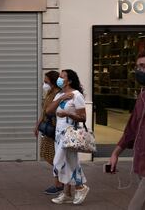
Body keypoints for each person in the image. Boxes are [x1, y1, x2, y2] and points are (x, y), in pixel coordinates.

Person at [109, 49, 145, 210]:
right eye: (137, 67)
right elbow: (131, 129)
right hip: (142, 164)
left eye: (143, 66)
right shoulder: (143, 96)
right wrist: (115, 153)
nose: (139, 70)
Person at [46, 69, 90, 205]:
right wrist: (61, 98)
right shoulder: (60, 94)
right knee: (64, 162)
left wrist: (68, 115)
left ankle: (80, 187)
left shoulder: (77, 95)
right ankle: (67, 193)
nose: (59, 78)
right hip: (59, 135)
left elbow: (83, 117)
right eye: (59, 76)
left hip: (69, 135)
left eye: (62, 76)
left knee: (68, 162)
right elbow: (48, 110)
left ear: (69, 80)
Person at [34, 70, 64, 195]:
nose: (44, 83)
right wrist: (37, 125)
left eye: (46, 81)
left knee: (55, 157)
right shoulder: (49, 92)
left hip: (54, 129)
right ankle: (61, 181)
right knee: (49, 155)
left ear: (52, 81)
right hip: (47, 129)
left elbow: (52, 111)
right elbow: (44, 110)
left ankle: (59, 183)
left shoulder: (58, 94)